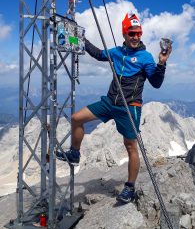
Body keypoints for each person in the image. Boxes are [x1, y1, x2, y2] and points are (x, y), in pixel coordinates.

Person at [56, 12, 172, 203]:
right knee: (77, 118)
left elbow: (156, 83)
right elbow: (98, 54)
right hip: (110, 102)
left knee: (130, 146)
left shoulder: (145, 57)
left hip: (130, 107)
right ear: (124, 34)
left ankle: (129, 187)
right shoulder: (117, 52)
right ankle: (75, 153)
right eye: (131, 33)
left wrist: (161, 62)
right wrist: (79, 36)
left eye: (138, 34)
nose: (135, 37)